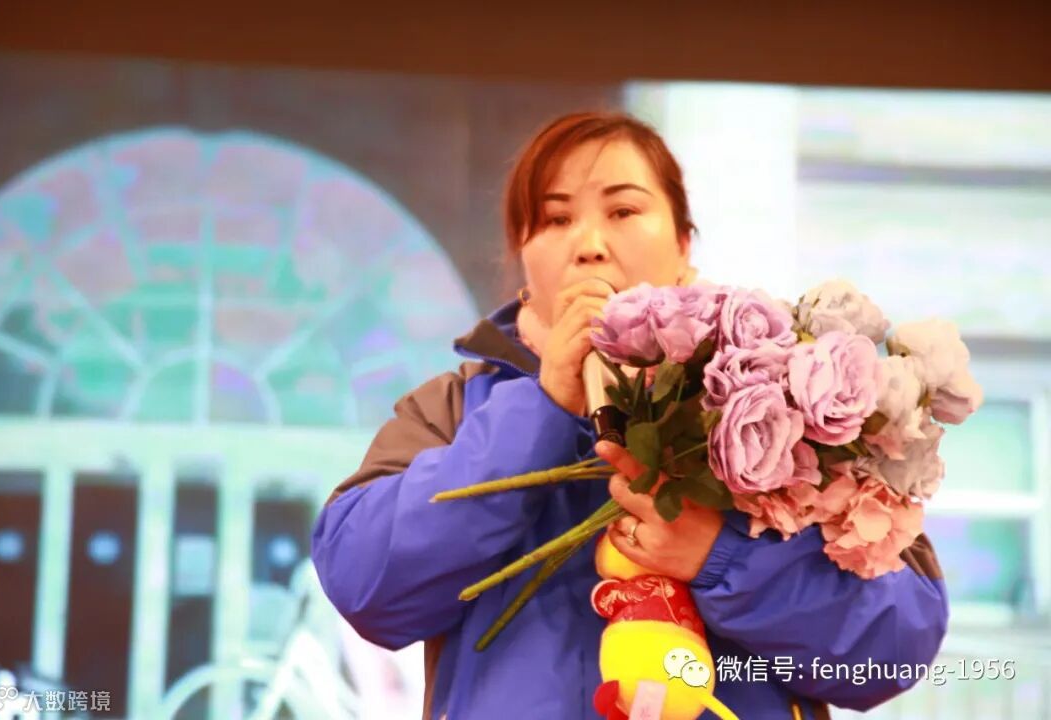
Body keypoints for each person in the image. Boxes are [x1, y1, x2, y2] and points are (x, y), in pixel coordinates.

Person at [310, 112, 948, 720]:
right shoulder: (456, 408)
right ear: (524, 259)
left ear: (683, 244)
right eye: (556, 219)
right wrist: (540, 410)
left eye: (623, 211)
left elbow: (892, 647)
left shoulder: (786, 395)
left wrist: (722, 559)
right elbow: (367, 588)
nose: (589, 245)